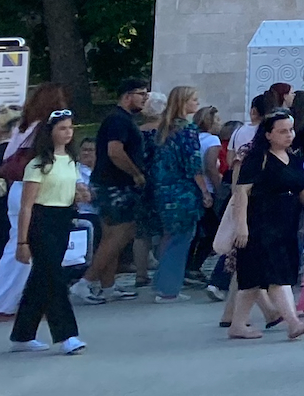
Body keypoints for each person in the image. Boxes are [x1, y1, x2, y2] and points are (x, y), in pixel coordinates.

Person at [227, 109, 304, 340]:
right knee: (275, 275)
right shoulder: (257, 159)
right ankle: (293, 323)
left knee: (254, 280)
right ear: (268, 134)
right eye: (282, 131)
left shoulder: (293, 159)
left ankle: (237, 325)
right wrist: (241, 226)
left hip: (286, 225)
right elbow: (241, 193)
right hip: (260, 224)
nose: (289, 135)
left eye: (290, 130)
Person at [8, 108, 89, 353]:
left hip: (63, 219)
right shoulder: (38, 164)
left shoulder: (71, 160)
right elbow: (27, 206)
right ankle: (67, 335)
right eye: (62, 128)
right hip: (42, 220)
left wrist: (81, 193)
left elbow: (74, 187)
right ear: (50, 132)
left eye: (70, 128)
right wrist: (22, 242)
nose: (68, 132)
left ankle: (23, 334)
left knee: (41, 277)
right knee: (54, 277)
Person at [81, 79, 151, 303]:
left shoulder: (122, 119)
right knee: (122, 232)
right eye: (141, 94)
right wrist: (135, 173)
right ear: (127, 96)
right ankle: (86, 282)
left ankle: (108, 286)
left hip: (109, 183)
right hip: (114, 185)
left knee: (111, 237)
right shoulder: (118, 120)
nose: (145, 98)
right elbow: (115, 151)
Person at [148, 85, 210, 303]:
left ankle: (162, 282)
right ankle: (168, 288)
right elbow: (193, 165)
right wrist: (204, 191)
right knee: (181, 239)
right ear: (184, 102)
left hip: (164, 189)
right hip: (183, 191)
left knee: (170, 236)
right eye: (193, 99)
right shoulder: (188, 130)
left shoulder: (164, 129)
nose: (197, 103)